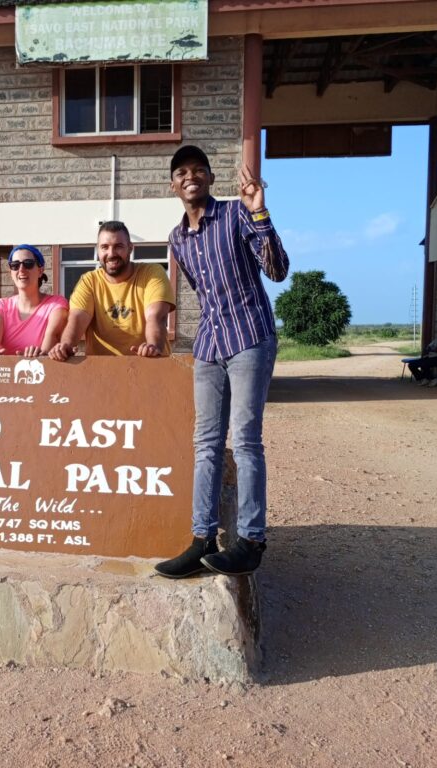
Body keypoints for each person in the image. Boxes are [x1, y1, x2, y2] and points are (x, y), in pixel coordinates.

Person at [155, 145, 289, 579]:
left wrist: (260, 212)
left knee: (247, 439)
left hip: (250, 336)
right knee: (206, 443)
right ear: (173, 185)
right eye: (181, 172)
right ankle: (202, 540)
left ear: (210, 179)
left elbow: (277, 270)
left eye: (198, 170)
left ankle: (251, 540)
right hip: (210, 345)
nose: (190, 177)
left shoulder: (235, 215)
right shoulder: (177, 239)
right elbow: (200, 290)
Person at [48, 221, 175, 360]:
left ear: (130, 248)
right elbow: (77, 319)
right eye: (104, 247)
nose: (111, 253)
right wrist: (65, 346)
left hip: (146, 365)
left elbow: (156, 317)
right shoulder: (89, 281)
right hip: (103, 372)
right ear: (98, 250)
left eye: (118, 246)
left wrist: (153, 346)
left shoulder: (152, 273)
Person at [0, 244, 68, 358]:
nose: (21, 270)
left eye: (28, 264)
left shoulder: (56, 305)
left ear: (40, 270)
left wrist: (37, 357)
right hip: (6, 374)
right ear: (11, 272)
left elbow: (52, 339)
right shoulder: (2, 306)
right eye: (15, 265)